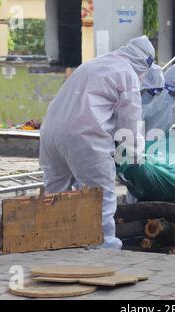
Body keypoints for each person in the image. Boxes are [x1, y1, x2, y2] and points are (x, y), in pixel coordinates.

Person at [39, 36, 155, 249]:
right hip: (85, 138)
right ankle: (103, 249)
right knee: (100, 197)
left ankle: (53, 243)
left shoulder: (94, 63)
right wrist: (137, 157)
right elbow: (130, 122)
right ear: (144, 65)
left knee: (55, 193)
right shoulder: (127, 74)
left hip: (51, 134)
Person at [143, 63, 175, 135]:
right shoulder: (153, 98)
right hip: (147, 140)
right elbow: (139, 116)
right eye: (171, 92)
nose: (173, 96)